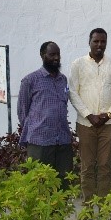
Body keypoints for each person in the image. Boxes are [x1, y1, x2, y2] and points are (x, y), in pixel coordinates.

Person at [69, 28, 111, 205]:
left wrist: (109, 114)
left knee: (105, 165)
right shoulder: (78, 64)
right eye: (96, 41)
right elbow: (73, 93)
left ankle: (104, 206)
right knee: (87, 165)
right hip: (86, 123)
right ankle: (88, 206)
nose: (99, 44)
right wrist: (88, 115)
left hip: (109, 123)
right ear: (89, 42)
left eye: (103, 41)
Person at [17, 41, 73, 190]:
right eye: (52, 54)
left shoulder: (63, 79)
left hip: (62, 140)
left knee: (63, 183)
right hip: (40, 141)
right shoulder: (30, 80)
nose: (56, 58)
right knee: (40, 183)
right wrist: (35, 128)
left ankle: (59, 207)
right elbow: (22, 111)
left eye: (58, 54)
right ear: (42, 56)